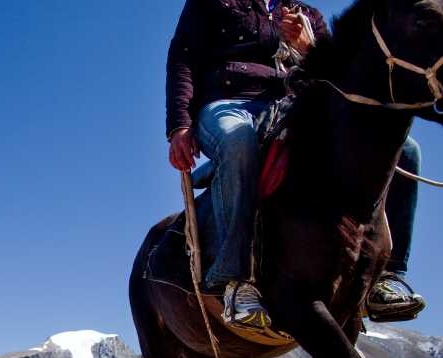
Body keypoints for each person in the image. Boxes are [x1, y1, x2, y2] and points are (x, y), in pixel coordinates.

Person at [165, 0, 426, 333]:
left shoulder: (309, 16)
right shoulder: (215, 4)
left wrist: (309, 48)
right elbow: (183, 59)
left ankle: (389, 278)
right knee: (237, 139)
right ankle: (234, 279)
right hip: (231, 104)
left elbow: (341, 74)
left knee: (406, 149)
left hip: (297, 106)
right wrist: (179, 126)